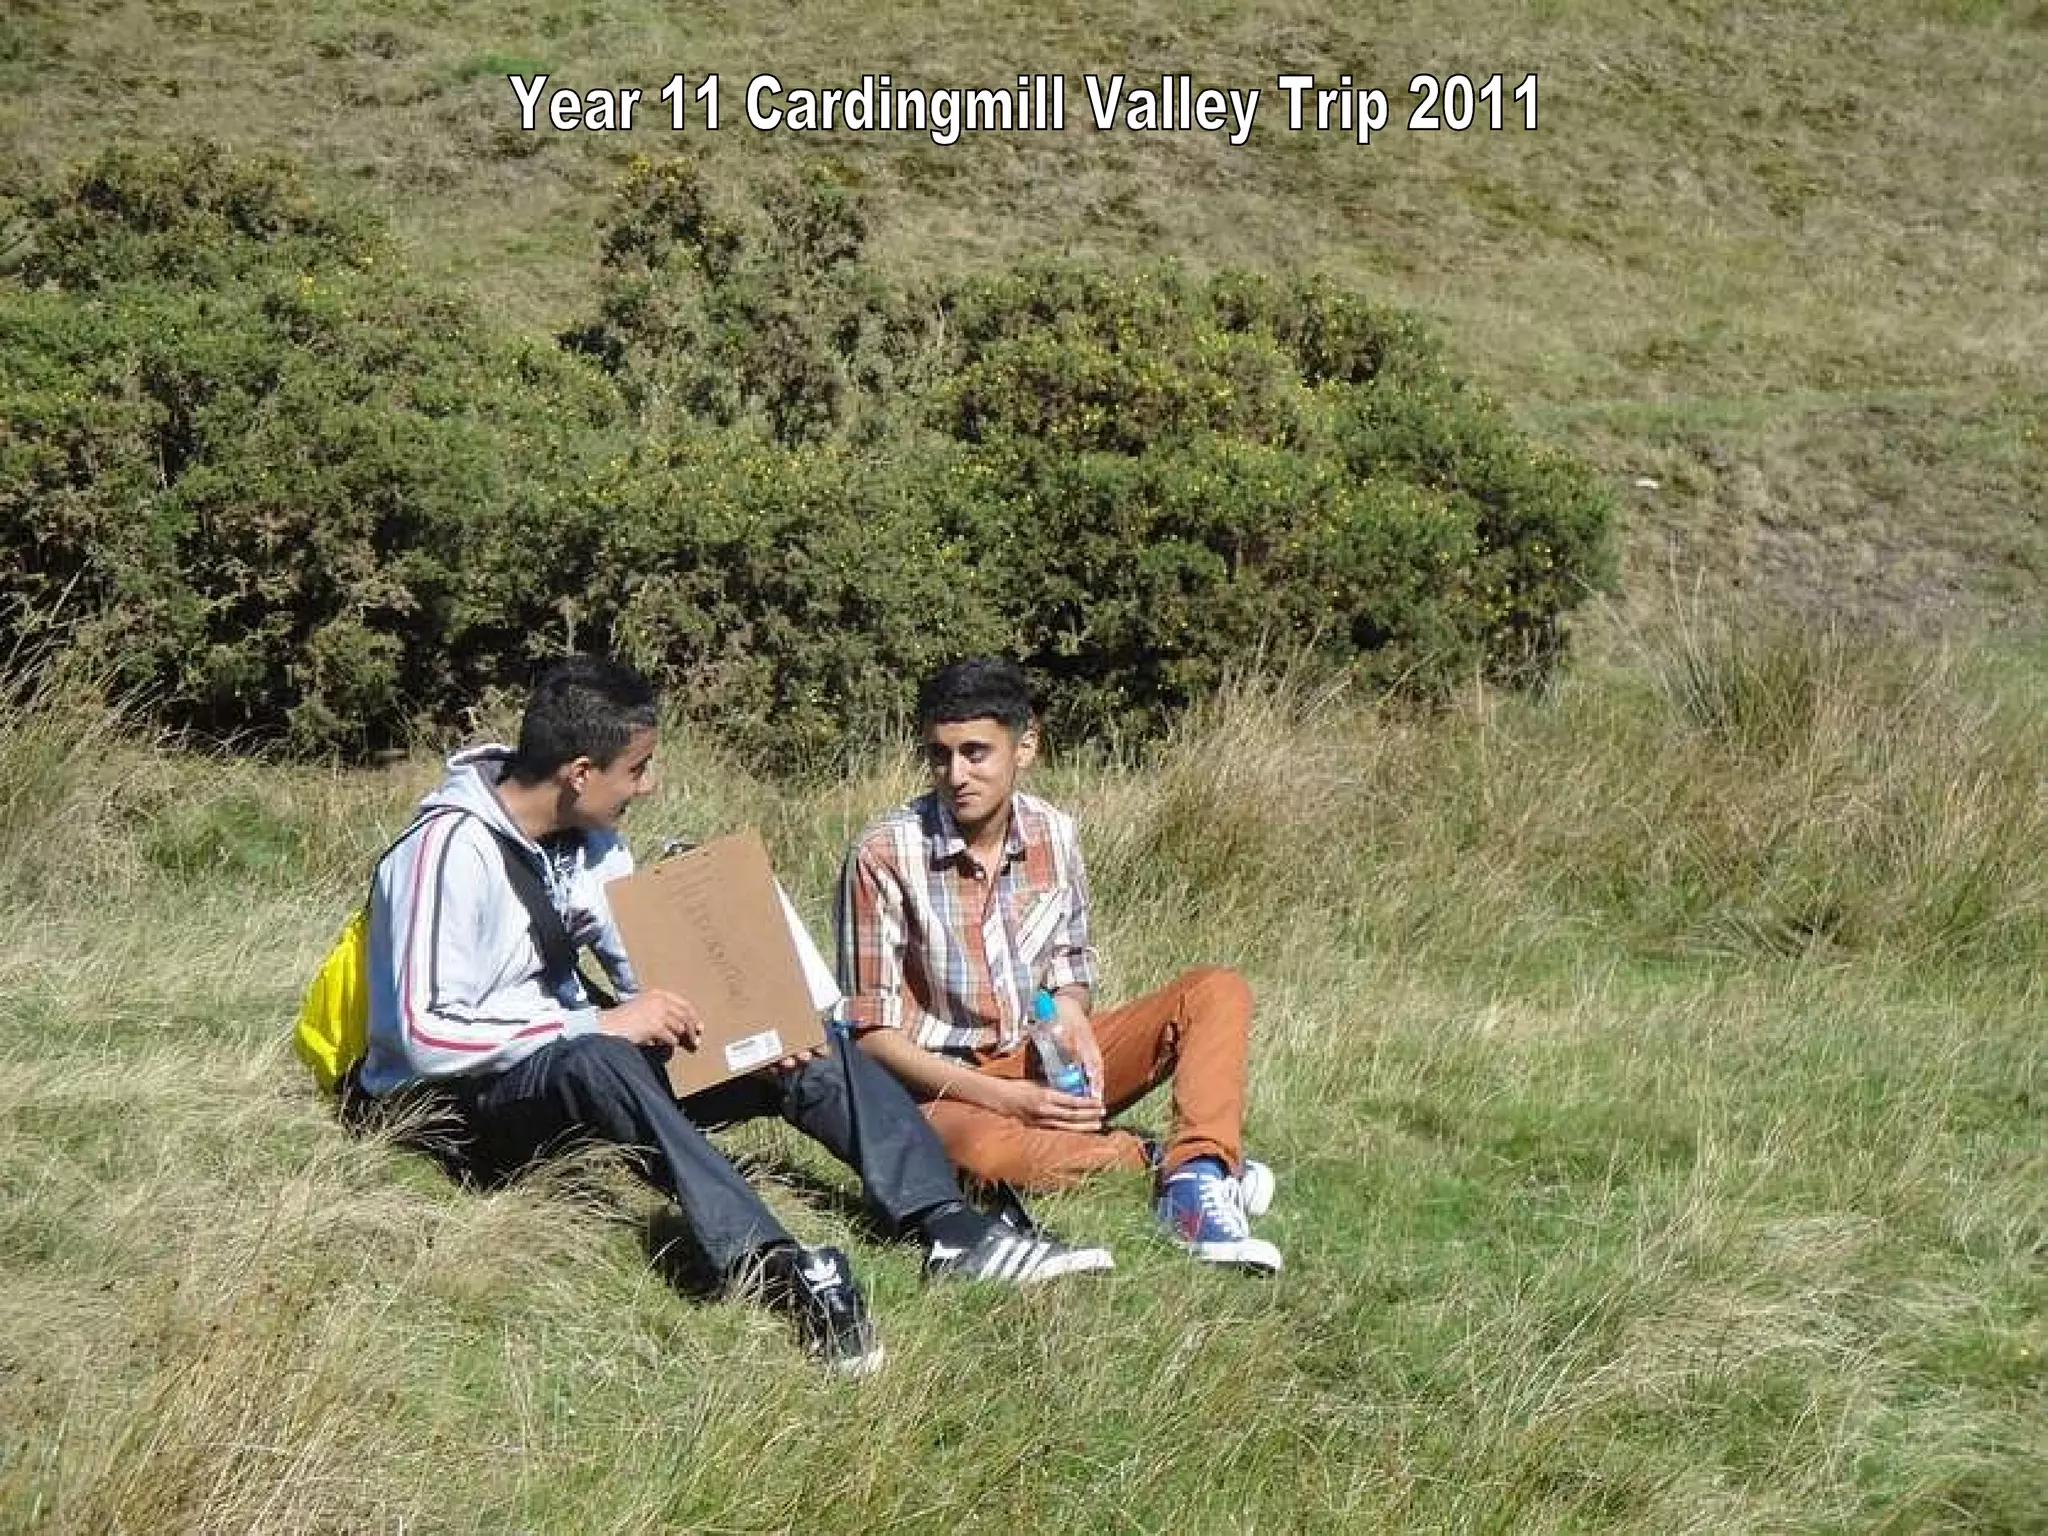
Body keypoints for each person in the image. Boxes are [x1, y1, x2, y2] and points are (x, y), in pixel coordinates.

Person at [359, 654, 1110, 1376]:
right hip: (468, 1109)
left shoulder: (589, 843)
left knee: (801, 1036)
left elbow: (643, 967)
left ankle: (946, 1224)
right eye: (637, 770)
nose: (648, 788)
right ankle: (779, 1265)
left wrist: (751, 1024)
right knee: (604, 1057)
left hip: (578, 1065)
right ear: (579, 773)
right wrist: (597, 1025)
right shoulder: (443, 853)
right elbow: (423, 1035)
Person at [835, 657, 1282, 1274]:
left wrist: (1071, 1014)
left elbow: (1070, 961)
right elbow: (873, 1036)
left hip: (1041, 1054)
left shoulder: (1054, 831)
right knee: (983, 1159)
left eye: (975, 752)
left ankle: (1197, 1181)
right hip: (943, 1083)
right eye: (940, 755)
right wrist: (1005, 1097)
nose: (956, 775)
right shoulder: (883, 854)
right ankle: (1165, 1161)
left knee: (1215, 991)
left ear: (1026, 747)